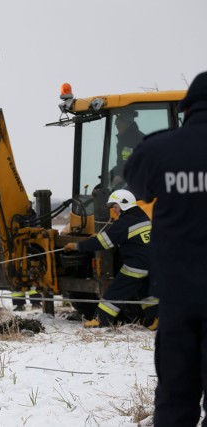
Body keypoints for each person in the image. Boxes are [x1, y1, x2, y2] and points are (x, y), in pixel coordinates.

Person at [123, 71, 207, 427]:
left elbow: (136, 181)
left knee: (175, 399)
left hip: (179, 300)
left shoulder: (158, 151)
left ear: (186, 107)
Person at [64, 189, 156, 328]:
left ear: (124, 204)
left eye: (115, 207)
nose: (114, 211)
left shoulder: (125, 223)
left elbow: (104, 243)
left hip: (135, 266)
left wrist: (77, 246)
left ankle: (100, 320)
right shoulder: (141, 217)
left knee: (115, 291)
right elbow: (121, 233)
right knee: (145, 292)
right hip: (151, 264)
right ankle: (155, 320)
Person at [110, 110, 145, 189]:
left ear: (126, 124)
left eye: (118, 125)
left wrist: (120, 176)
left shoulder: (139, 140)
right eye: (116, 125)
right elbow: (122, 163)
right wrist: (112, 174)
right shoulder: (123, 141)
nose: (117, 127)